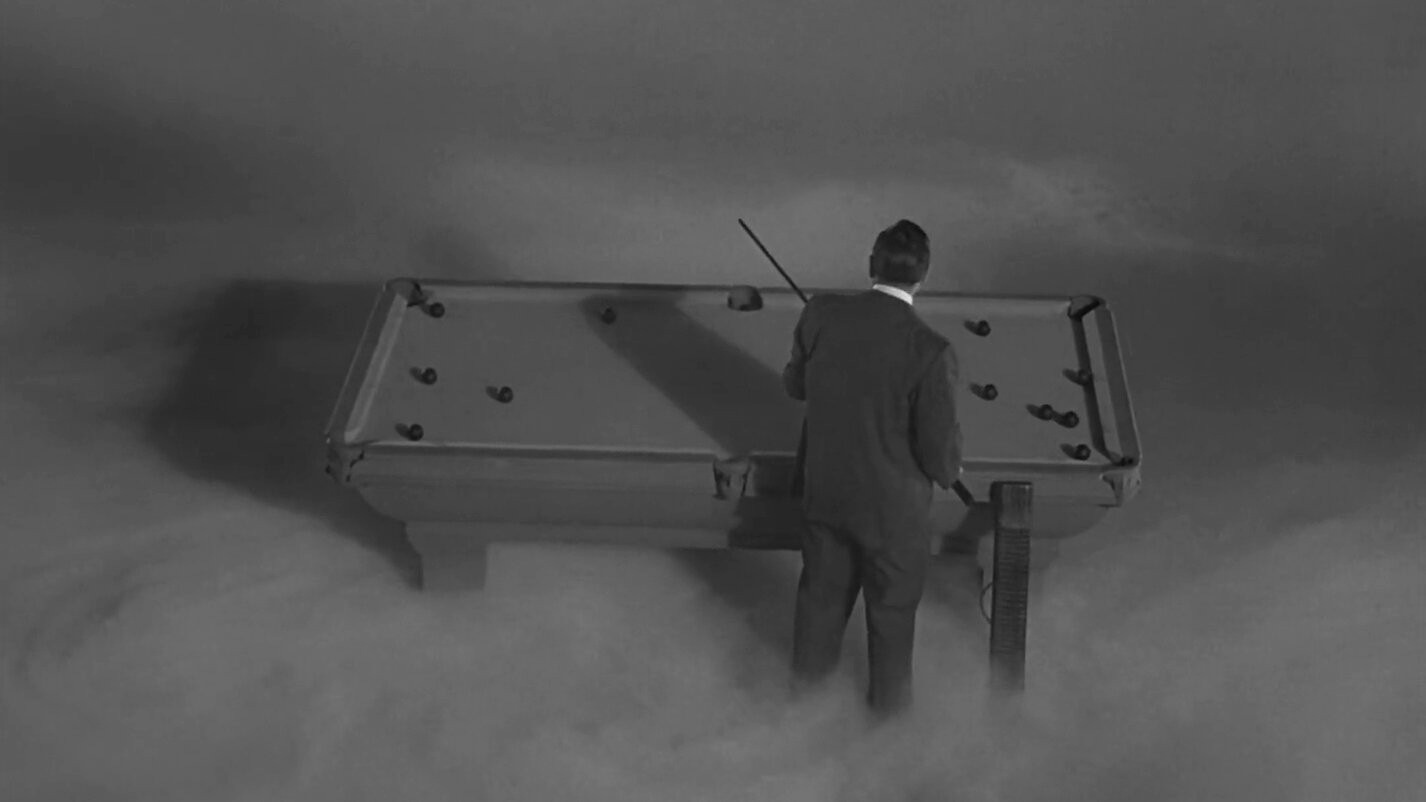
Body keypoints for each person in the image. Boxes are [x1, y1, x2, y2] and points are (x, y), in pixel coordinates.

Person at [781, 219, 962, 716]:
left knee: (819, 607)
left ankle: (801, 716)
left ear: (870, 265)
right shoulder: (931, 350)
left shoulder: (820, 313)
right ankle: (888, 729)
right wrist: (952, 469)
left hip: (826, 495)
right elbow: (940, 459)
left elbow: (795, 385)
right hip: (894, 515)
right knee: (891, 620)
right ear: (924, 275)